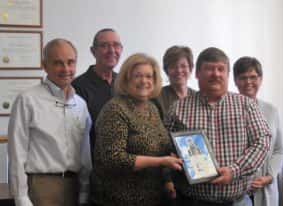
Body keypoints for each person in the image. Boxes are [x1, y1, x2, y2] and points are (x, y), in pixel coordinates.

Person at [165, 47, 271, 206]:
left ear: (228, 75)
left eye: (221, 69)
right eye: (209, 68)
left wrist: (235, 170)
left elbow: (262, 141)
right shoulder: (178, 109)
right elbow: (164, 146)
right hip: (192, 201)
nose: (216, 74)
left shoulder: (245, 105)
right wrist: (171, 157)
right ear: (197, 73)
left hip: (238, 202)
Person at [8, 39, 92, 206]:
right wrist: (21, 198)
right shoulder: (28, 100)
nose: (66, 69)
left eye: (70, 62)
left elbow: (84, 154)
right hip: (41, 187)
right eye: (58, 63)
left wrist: (84, 190)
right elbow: (16, 153)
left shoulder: (80, 104)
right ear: (44, 65)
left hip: (73, 186)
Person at [93, 53, 183, 206]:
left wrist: (167, 181)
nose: (144, 81)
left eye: (149, 76)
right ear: (126, 79)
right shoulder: (115, 109)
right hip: (120, 198)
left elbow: (161, 148)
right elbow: (114, 159)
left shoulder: (152, 109)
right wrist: (161, 161)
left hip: (153, 197)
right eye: (137, 76)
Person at [233, 56, 283, 206]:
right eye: (243, 77)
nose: (248, 82)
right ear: (235, 81)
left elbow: (279, 150)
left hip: (266, 190)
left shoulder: (272, 111)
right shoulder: (227, 110)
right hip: (238, 191)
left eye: (253, 77)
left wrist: (269, 177)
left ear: (260, 79)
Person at [72, 28, 123, 155]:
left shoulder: (125, 84)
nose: (112, 51)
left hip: (125, 164)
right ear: (93, 51)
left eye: (116, 45)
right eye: (105, 45)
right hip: (93, 164)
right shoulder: (77, 86)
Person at [155, 45, 196, 118]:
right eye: (173, 66)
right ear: (166, 70)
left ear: (190, 68)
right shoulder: (157, 97)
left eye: (183, 66)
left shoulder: (199, 97)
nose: (179, 70)